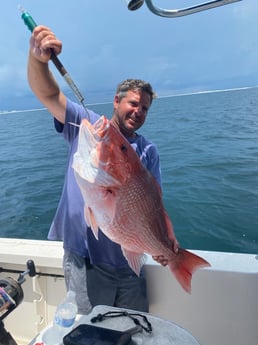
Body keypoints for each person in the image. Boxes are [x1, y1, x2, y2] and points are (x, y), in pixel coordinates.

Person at [27, 25, 179, 314]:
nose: (139, 111)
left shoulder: (148, 151)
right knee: (89, 332)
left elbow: (155, 205)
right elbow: (47, 94)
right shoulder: (89, 126)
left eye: (145, 108)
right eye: (134, 103)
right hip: (86, 260)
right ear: (116, 101)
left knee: (133, 328)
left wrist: (166, 242)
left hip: (129, 262)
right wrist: (38, 59)